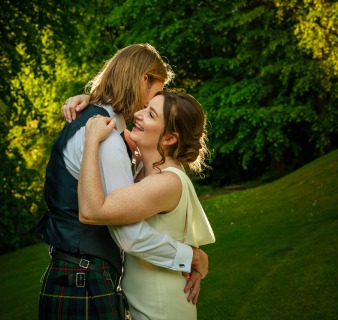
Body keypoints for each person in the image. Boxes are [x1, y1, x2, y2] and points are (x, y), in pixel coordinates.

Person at [37, 43, 208, 320]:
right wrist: (190, 257)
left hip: (78, 273)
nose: (143, 108)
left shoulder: (100, 125)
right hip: (84, 277)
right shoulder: (105, 138)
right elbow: (127, 233)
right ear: (143, 80)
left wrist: (88, 98)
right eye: (152, 97)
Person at [79, 90, 215, 320]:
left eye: (150, 114)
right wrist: (81, 100)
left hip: (163, 306)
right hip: (144, 301)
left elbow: (92, 211)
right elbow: (112, 114)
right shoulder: (145, 163)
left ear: (169, 138)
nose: (138, 114)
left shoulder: (167, 182)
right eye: (145, 107)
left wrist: (91, 140)